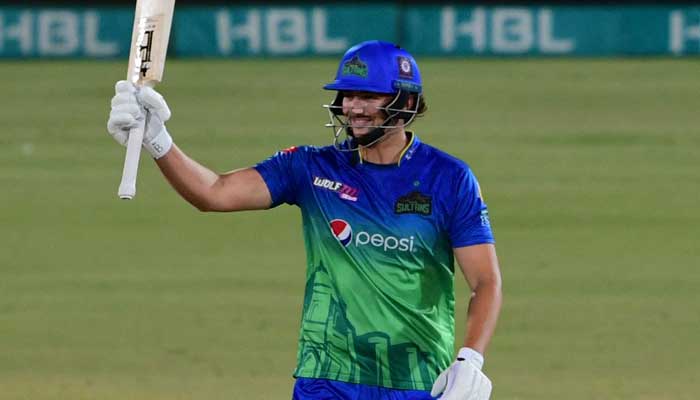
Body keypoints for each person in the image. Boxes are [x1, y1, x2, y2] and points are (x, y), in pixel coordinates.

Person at [107, 40, 502, 400]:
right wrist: (159, 140)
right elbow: (214, 192)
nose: (353, 107)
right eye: (347, 95)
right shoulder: (310, 167)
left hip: (417, 379)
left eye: (368, 96)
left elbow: (485, 281)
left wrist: (470, 359)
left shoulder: (449, 178)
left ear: (407, 103)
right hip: (327, 376)